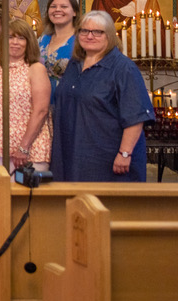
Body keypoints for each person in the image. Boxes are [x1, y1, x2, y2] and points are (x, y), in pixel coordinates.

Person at [50, 10, 153, 182]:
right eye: (84, 31)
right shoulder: (75, 64)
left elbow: (136, 117)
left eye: (97, 32)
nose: (90, 36)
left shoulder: (123, 69)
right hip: (72, 155)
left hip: (107, 160)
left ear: (110, 36)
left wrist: (124, 153)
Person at [0, 18, 52, 175]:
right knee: (2, 198)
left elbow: (41, 110)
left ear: (29, 43)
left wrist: (23, 147)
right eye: (10, 37)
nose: (15, 42)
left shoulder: (35, 69)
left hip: (30, 149)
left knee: (27, 199)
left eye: (21, 38)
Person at [39, 0, 80, 90]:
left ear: (74, 12)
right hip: (42, 99)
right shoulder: (42, 40)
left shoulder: (81, 40)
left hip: (70, 99)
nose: (57, 10)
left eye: (64, 7)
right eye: (53, 6)